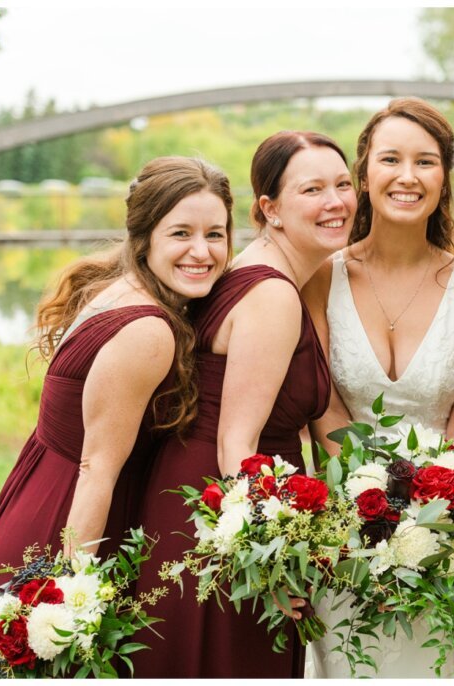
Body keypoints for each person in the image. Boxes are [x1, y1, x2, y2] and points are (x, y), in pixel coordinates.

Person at [130, 131, 356, 678]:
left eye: (344, 185)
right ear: (269, 210)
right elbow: (238, 442)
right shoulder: (272, 294)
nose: (336, 202)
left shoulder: (256, 273)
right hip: (225, 513)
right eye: (313, 189)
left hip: (198, 497)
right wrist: (269, 566)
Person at [302, 98, 454, 678]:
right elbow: (325, 406)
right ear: (364, 174)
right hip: (342, 532)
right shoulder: (319, 278)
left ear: (446, 179)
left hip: (446, 529)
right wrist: (372, 516)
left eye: (427, 162)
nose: (408, 177)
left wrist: (431, 517)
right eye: (391, 159)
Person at [0, 156, 234, 593]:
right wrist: (71, 595)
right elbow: (95, 470)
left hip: (36, 498)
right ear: (145, 238)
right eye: (181, 233)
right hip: (66, 531)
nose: (202, 252)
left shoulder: (122, 287)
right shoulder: (148, 331)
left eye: (215, 235)